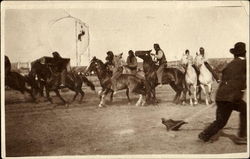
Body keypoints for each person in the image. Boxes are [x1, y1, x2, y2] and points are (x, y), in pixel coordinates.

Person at [198, 42, 247, 145]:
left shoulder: (230, 65)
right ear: (244, 53)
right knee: (245, 110)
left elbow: (224, 80)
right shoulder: (245, 64)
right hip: (232, 98)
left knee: (221, 121)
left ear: (235, 54)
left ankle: (204, 135)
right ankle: (242, 136)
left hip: (221, 96)